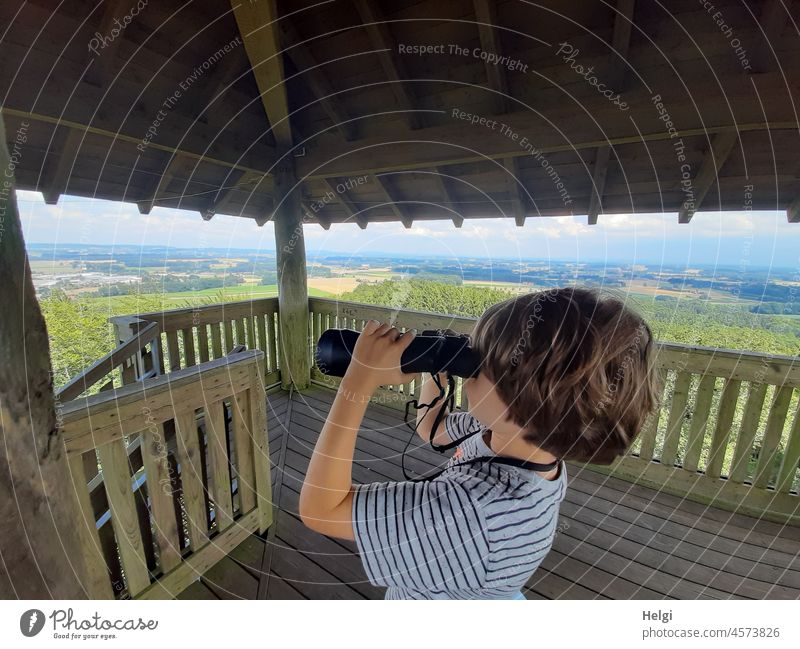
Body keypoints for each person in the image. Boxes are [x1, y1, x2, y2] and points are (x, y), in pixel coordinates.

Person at [299, 287, 659, 599]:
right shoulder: (519, 439)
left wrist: (359, 380)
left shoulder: (477, 515)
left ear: (522, 400)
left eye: (482, 360)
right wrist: (436, 362)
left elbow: (322, 509)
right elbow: (433, 429)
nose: (471, 364)